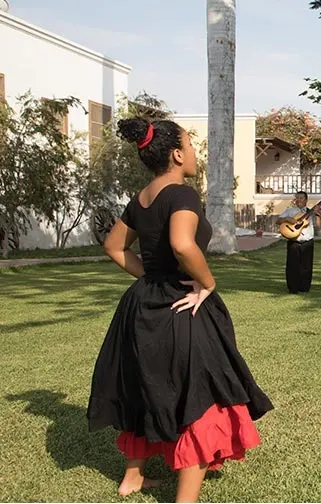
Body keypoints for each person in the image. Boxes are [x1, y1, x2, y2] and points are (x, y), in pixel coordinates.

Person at [88, 118, 273, 502]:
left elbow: (114, 247)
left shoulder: (141, 198)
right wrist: (208, 283)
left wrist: (150, 276)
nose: (193, 153)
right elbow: (183, 244)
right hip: (180, 304)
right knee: (199, 396)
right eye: (189, 146)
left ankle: (132, 478)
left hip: (142, 304)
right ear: (176, 154)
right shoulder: (182, 194)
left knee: (146, 385)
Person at [277, 191, 316, 293]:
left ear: (306, 200)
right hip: (294, 241)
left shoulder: (310, 212)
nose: (299, 200)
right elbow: (278, 221)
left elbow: (320, 224)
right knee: (292, 266)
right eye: (297, 198)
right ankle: (293, 287)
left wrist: (319, 213)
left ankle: (304, 287)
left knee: (306, 266)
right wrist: (287, 218)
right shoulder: (290, 211)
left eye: (301, 198)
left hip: (307, 242)